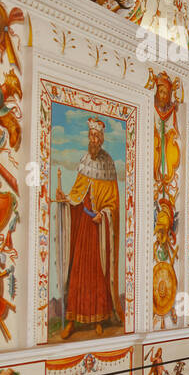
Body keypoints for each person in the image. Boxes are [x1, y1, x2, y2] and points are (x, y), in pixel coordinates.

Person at [53, 117, 121, 338]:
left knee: (97, 275)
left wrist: (103, 215)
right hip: (83, 227)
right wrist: (65, 199)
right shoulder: (83, 161)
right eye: (90, 136)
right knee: (78, 273)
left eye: (96, 136)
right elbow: (77, 195)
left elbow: (113, 205)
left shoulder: (108, 164)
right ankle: (72, 321)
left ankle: (99, 318)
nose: (93, 140)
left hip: (97, 230)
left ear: (101, 140)